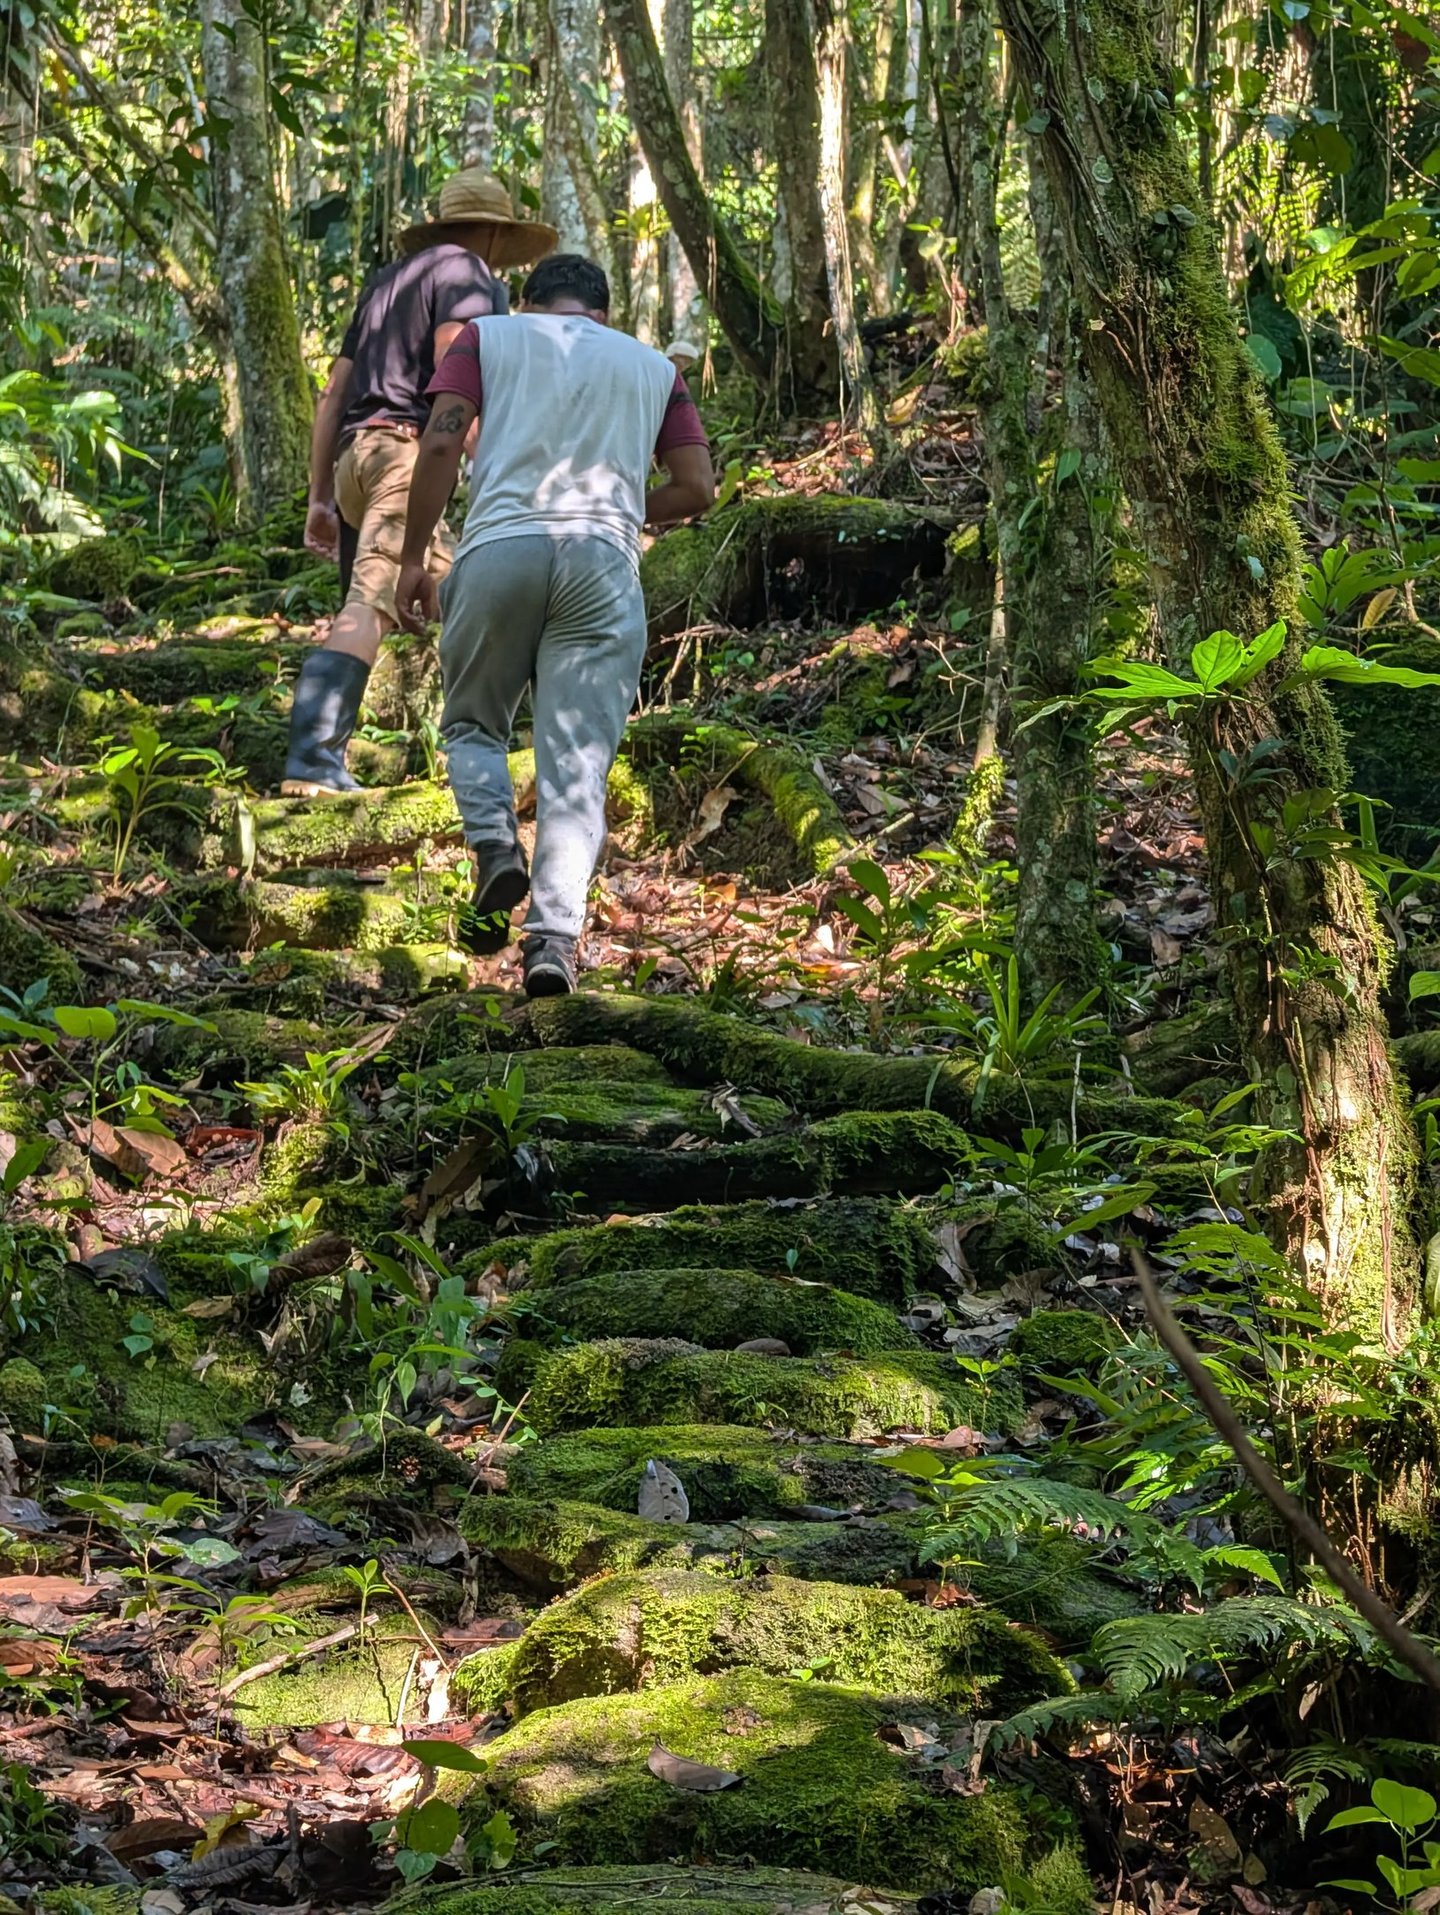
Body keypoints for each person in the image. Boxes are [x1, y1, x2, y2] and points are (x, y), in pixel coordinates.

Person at [394, 253, 715, 998]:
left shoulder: (486, 337)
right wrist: (619, 515)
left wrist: (413, 556)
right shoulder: (652, 368)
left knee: (474, 724)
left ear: (528, 300)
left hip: (500, 549)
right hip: (602, 565)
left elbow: (442, 440)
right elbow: (697, 486)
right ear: (603, 312)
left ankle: (495, 845)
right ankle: (552, 944)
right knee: (576, 760)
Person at [282, 171, 558, 796]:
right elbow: (454, 372)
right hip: (406, 457)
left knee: (460, 579)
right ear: (495, 232)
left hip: (358, 455)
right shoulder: (467, 273)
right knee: (371, 602)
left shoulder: (387, 282)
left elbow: (332, 394)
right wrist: (493, 464)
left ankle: (499, 735)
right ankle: (313, 756)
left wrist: (321, 496)